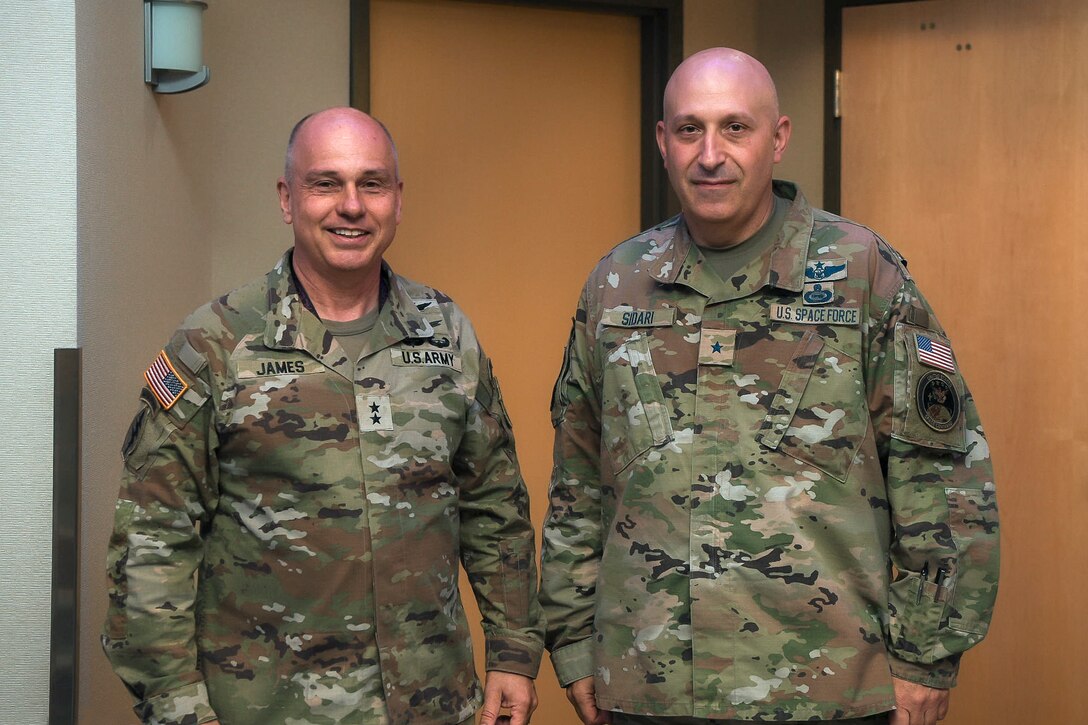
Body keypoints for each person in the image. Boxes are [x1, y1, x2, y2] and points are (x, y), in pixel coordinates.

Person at [541, 49, 998, 725]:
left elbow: (943, 475)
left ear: (778, 138)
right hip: (650, 684)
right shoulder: (618, 282)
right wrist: (574, 643)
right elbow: (577, 480)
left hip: (825, 686)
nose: (711, 154)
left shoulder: (860, 273)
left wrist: (929, 655)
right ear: (663, 142)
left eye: (736, 128)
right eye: (690, 130)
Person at [103, 107, 543, 725]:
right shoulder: (217, 343)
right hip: (267, 708)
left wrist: (514, 653)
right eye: (325, 183)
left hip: (432, 703)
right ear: (288, 199)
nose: (352, 206)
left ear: (397, 199)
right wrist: (176, 708)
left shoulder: (446, 332)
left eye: (372, 183)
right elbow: (153, 544)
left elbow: (495, 510)